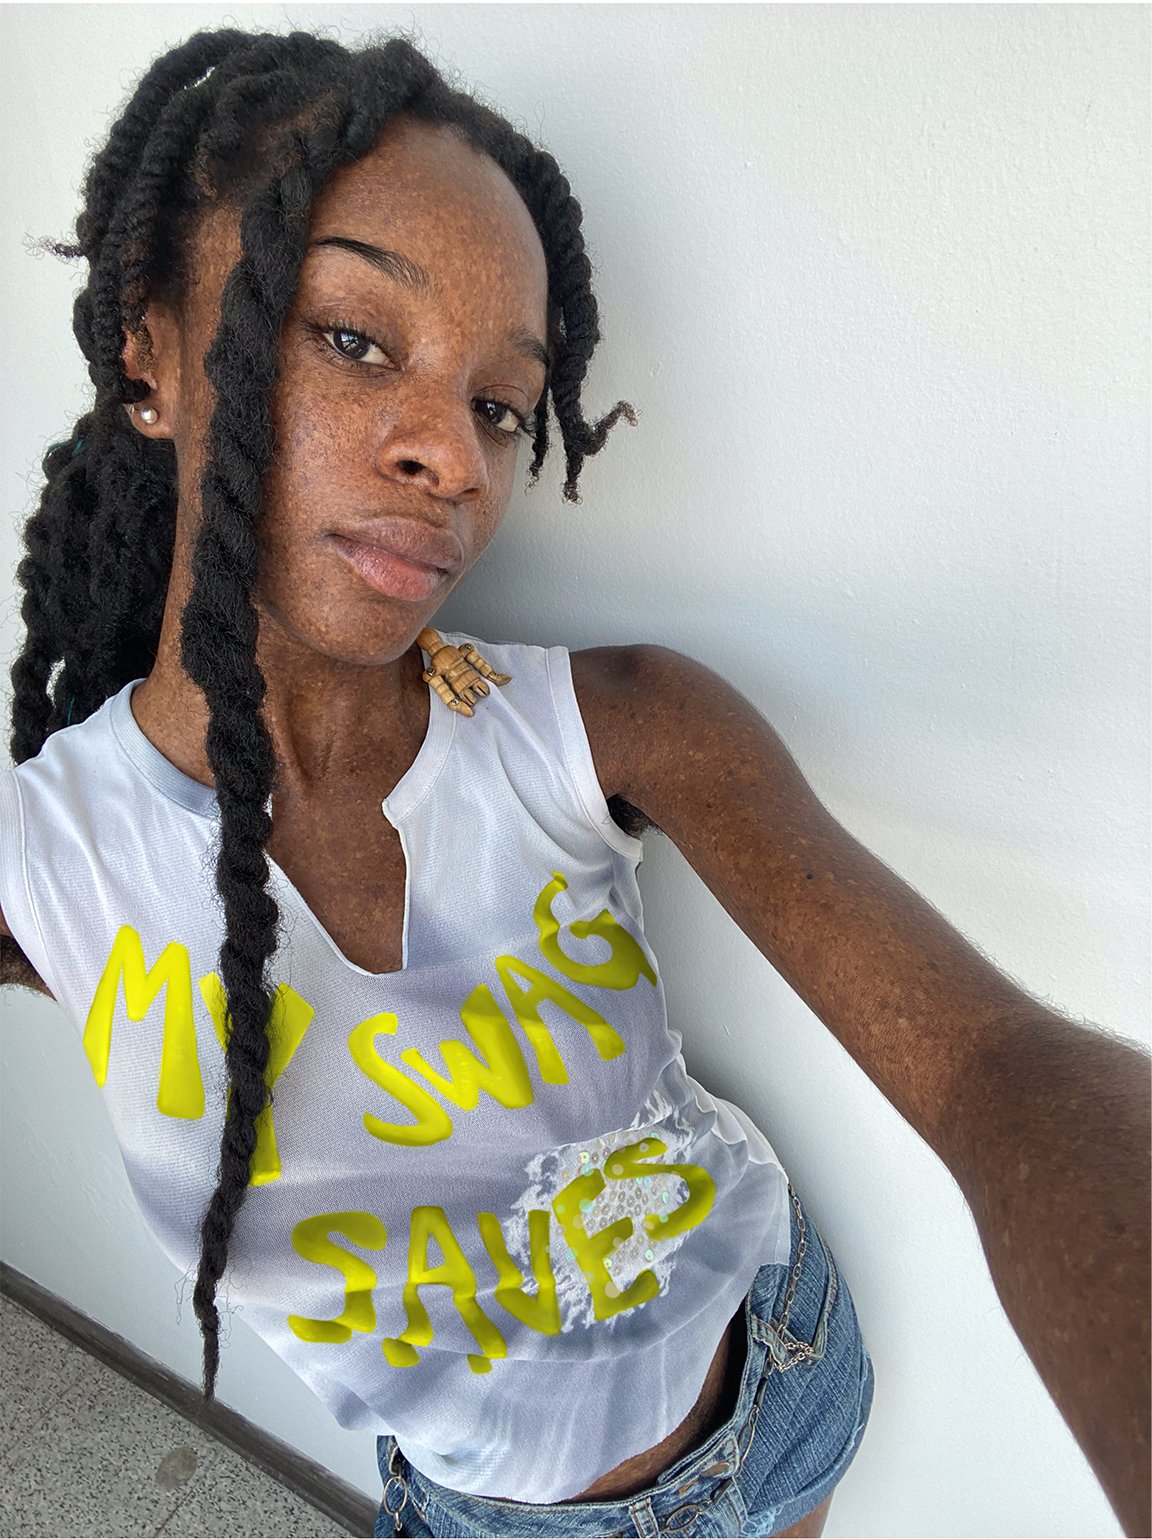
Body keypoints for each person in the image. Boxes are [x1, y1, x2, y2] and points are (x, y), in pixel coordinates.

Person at [0, 26, 1146, 1539]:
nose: (455, 457)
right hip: (498, 1513)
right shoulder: (49, 861)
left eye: (499, 404)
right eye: (353, 338)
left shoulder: (613, 725)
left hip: (781, 1375)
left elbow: (991, 1064)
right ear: (149, 351)